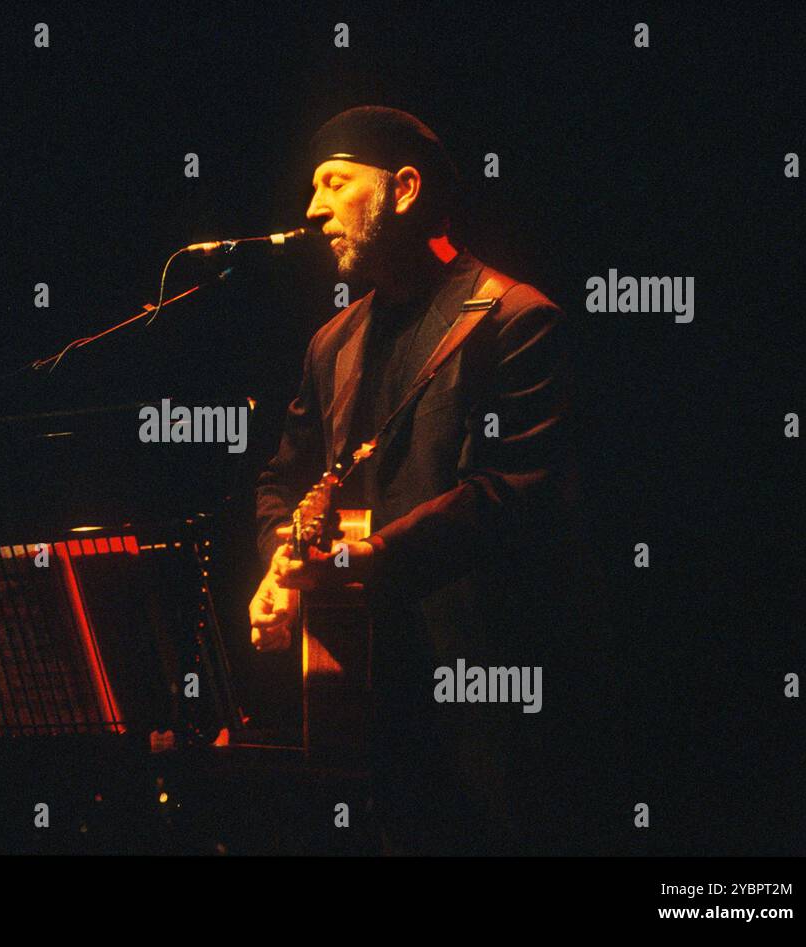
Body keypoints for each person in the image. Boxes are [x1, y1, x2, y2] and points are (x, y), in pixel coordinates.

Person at [249, 106, 609, 854]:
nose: (313, 209)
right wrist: (282, 562)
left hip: (490, 698)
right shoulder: (332, 342)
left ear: (404, 189)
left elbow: (513, 493)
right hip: (368, 699)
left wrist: (366, 560)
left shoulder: (515, 319)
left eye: (335, 183)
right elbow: (283, 479)